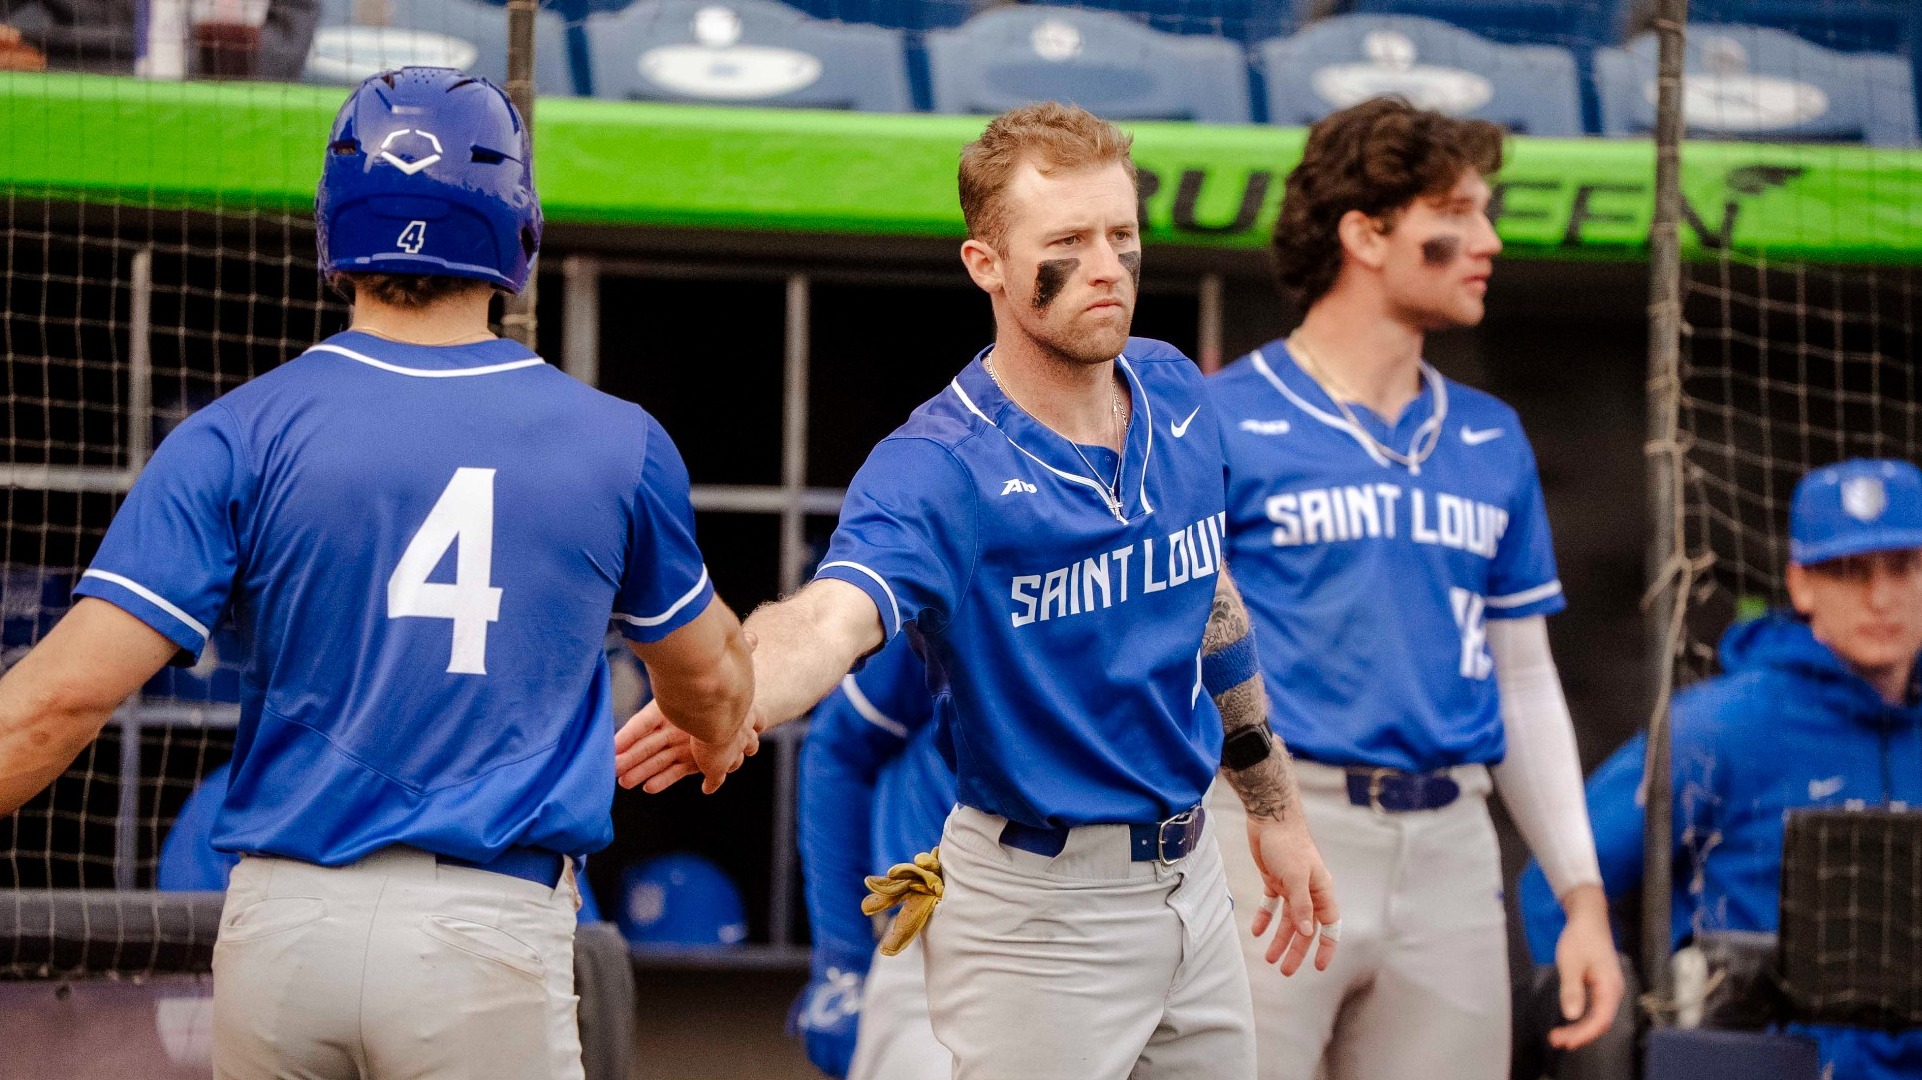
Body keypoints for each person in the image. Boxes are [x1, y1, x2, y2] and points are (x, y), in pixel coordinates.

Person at [0, 66, 755, 1080]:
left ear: (335, 224)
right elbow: (706, 682)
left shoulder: (239, 430)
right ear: (514, 228)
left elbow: (54, 704)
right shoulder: (618, 442)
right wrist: (713, 735)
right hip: (485, 927)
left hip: (284, 926)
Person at [617, 101, 1339, 1080]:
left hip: (1191, 883)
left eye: (1120, 236)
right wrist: (731, 682)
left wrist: (1273, 811)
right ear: (984, 265)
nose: (1105, 267)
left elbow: (1210, 606)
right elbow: (831, 618)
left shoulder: (1173, 390)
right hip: (1036, 911)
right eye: (1068, 242)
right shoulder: (937, 465)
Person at [1205, 96, 1623, 1080]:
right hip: (1268, 830)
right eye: (1454, 213)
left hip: (1449, 849)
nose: (1487, 240)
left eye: (1484, 211)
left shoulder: (1490, 436)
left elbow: (1520, 681)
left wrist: (1580, 897)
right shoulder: (1222, 418)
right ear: (1363, 232)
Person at [1520, 458, 1922, 1080]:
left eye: (1903, 568)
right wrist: (1592, 1048)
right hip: (1764, 1062)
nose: (1880, 596)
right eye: (1847, 570)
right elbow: (1557, 878)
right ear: (1800, 584)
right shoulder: (1721, 727)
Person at [787, 635, 952, 1080]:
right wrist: (845, 962)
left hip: (1129, 915)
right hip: (935, 935)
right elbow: (838, 750)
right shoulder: (976, 576)